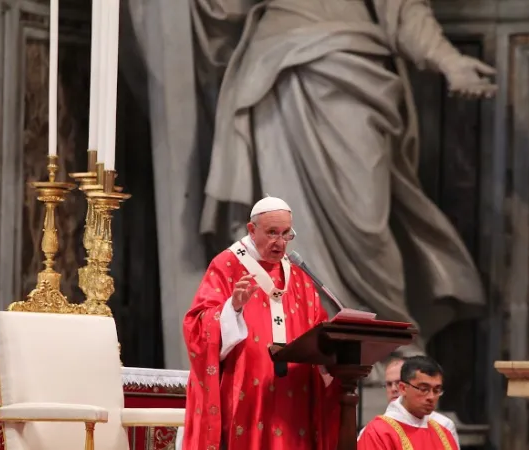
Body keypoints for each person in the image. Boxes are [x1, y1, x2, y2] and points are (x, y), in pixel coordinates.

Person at [192, 0, 493, 354]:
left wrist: (448, 60)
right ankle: (306, 342)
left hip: (351, 63)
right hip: (277, 65)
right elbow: (225, 10)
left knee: (367, 225)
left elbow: (402, 7)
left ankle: (386, 343)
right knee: (288, 226)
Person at [182, 196, 341, 450]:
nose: (280, 242)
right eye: (272, 233)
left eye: (286, 234)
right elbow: (197, 327)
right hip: (246, 393)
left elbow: (318, 328)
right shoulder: (226, 265)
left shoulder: (298, 276)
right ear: (251, 230)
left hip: (294, 396)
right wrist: (232, 307)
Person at [358, 356, 459, 449]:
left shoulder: (444, 433)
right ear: (403, 388)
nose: (431, 397)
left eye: (436, 390)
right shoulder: (378, 432)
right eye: (424, 389)